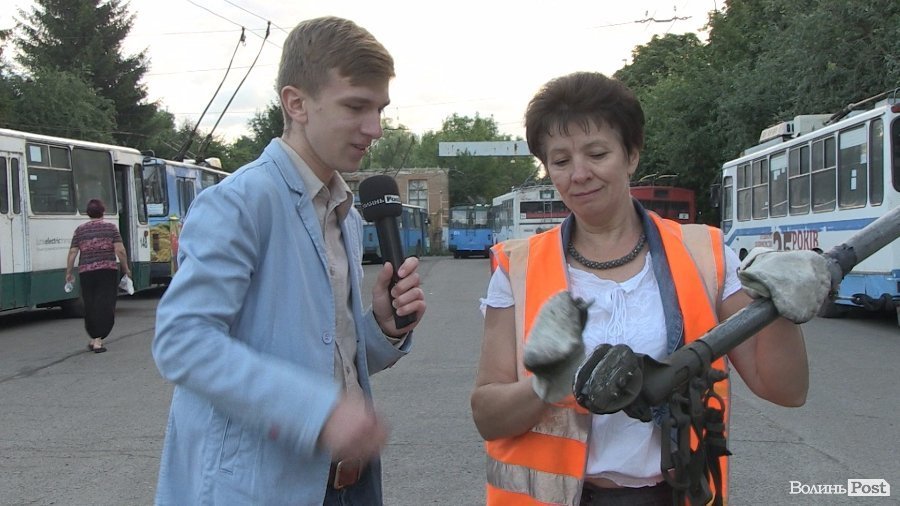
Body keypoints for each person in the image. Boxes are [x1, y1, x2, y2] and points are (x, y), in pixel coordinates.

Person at [469, 72, 830, 506]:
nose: (579, 174)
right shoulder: (517, 267)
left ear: (632, 156)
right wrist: (546, 386)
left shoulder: (706, 254)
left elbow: (785, 390)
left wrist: (784, 306)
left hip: (675, 495)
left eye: (597, 153)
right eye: (560, 161)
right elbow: (487, 416)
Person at [151, 16, 426, 505]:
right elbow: (182, 342)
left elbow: (317, 351)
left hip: (350, 485)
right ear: (296, 104)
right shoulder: (239, 203)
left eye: (380, 109)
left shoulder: (345, 214)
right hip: (257, 490)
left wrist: (381, 329)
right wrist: (318, 412)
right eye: (356, 107)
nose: (375, 129)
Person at [65, 198, 131, 353]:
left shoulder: (80, 230)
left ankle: (94, 337)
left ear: (88, 213)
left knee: (90, 303)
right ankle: (98, 340)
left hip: (86, 272)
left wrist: (69, 271)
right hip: (107, 271)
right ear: (103, 211)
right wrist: (126, 268)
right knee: (105, 304)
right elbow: (120, 250)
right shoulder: (111, 228)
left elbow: (73, 251)